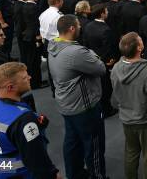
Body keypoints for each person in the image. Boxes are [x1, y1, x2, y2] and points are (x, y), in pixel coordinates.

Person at [47, 15, 107, 179]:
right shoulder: (76, 52)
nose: (81, 27)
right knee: (94, 145)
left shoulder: (53, 45)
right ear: (72, 28)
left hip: (66, 104)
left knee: (72, 143)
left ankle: (75, 174)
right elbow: (100, 68)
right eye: (78, 25)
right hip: (84, 107)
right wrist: (93, 54)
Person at [0, 62, 61, 179]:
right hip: (23, 173)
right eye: (24, 78)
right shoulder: (23, 119)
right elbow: (36, 158)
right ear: (10, 87)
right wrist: (53, 174)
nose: (29, 77)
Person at [111, 32, 147, 179]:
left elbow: (114, 97)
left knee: (131, 153)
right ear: (139, 48)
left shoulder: (116, 68)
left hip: (126, 120)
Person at [83, 4, 120, 117]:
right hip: (103, 62)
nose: (108, 12)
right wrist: (109, 60)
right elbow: (108, 48)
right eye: (106, 11)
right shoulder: (106, 29)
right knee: (106, 86)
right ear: (102, 14)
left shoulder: (88, 26)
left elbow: (86, 44)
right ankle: (106, 110)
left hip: (91, 59)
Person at [18, 0, 43, 88]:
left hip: (27, 35)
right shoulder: (33, 7)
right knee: (35, 60)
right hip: (33, 36)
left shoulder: (24, 6)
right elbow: (35, 23)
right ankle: (36, 83)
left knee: (31, 59)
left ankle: (35, 81)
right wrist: (38, 36)